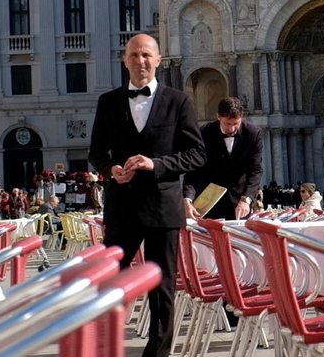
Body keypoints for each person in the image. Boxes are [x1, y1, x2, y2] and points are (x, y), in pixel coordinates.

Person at [88, 33, 206, 357]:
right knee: (110, 281)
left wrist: (155, 164)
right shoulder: (107, 102)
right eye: (134, 55)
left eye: (146, 55)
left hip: (163, 207)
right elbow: (96, 153)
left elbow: (197, 154)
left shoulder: (179, 101)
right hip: (121, 206)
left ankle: (158, 353)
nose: (140, 61)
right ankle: (102, 346)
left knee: (162, 287)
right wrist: (111, 169)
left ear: (158, 60)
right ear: (124, 60)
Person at [183, 96, 262, 220]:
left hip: (240, 204)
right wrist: (187, 198)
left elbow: (255, 170)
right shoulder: (203, 133)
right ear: (218, 117)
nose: (231, 129)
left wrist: (246, 198)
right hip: (208, 205)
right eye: (227, 123)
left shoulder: (253, 134)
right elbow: (193, 171)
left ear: (242, 118)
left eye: (236, 124)